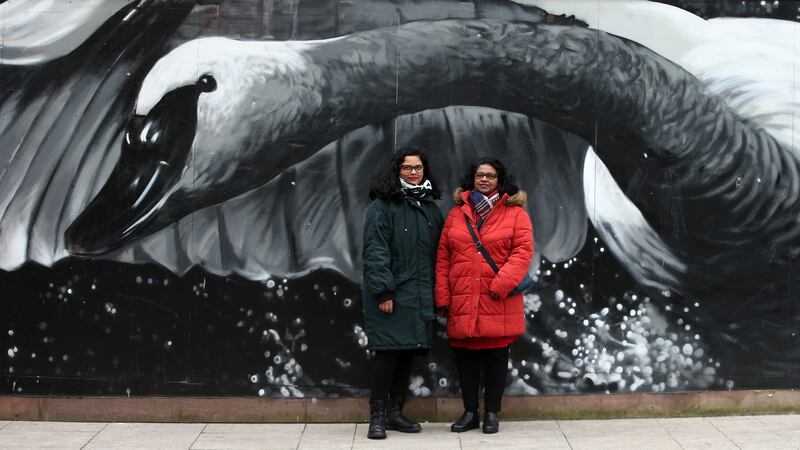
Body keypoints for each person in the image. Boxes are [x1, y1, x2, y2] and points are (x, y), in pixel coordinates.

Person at [434, 157, 533, 434]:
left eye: (490, 176)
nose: (484, 180)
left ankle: (491, 413)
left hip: (497, 299)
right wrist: (443, 296)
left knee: (496, 359)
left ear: (500, 181)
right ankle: (469, 413)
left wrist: (501, 284)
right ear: (473, 179)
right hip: (464, 298)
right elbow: (443, 257)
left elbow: (522, 253)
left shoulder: (516, 214)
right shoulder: (457, 213)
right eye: (480, 175)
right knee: (466, 359)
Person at [361, 147, 444, 440]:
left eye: (418, 168)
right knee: (386, 354)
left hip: (420, 294)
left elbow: (440, 255)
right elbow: (375, 252)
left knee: (408, 352)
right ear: (397, 171)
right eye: (407, 168)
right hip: (393, 294)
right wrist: (384, 291)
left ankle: (396, 412)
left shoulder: (431, 209)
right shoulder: (382, 207)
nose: (413, 172)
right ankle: (377, 417)